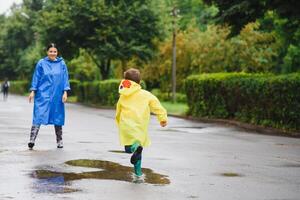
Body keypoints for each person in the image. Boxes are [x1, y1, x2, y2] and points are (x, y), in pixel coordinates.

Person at [115, 68, 168, 177]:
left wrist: (118, 122)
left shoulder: (123, 96)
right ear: (139, 82)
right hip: (140, 126)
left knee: (128, 149)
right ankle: (138, 173)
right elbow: (157, 106)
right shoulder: (146, 94)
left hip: (126, 126)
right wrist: (162, 118)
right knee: (138, 148)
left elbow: (118, 111)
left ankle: (135, 148)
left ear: (126, 82)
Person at [28, 43, 70, 150]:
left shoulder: (62, 64)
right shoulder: (41, 63)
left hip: (57, 94)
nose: (53, 53)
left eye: (54, 51)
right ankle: (32, 140)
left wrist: (65, 92)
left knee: (57, 117)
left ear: (57, 52)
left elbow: (65, 78)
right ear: (47, 52)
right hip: (43, 94)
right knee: (38, 115)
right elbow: (36, 77)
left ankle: (59, 141)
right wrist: (33, 91)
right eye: (51, 51)